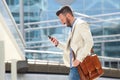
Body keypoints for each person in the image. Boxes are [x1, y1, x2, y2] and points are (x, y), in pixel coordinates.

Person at [49, 6, 94, 80]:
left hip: (80, 65)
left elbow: (89, 42)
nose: (62, 22)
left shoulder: (81, 24)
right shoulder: (73, 28)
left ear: (68, 16)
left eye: (62, 19)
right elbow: (71, 49)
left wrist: (79, 59)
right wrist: (58, 44)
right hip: (75, 66)